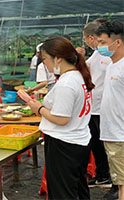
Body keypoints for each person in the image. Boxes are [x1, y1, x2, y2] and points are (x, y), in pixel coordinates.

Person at [18, 36, 94, 199]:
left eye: (44, 59)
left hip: (64, 144)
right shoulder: (77, 76)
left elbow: (61, 119)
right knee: (78, 187)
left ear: (58, 59)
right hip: (78, 140)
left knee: (62, 192)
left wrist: (38, 108)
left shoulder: (66, 83)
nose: (44, 63)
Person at [77, 19, 114, 189]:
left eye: (102, 41)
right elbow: (87, 70)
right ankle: (102, 176)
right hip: (94, 107)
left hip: (105, 108)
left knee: (109, 146)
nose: (99, 44)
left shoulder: (109, 55)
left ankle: (114, 181)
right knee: (97, 145)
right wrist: (80, 58)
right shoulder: (98, 54)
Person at [95, 20, 124, 200]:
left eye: (103, 42)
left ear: (118, 42)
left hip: (121, 134)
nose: (99, 47)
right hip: (112, 133)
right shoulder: (112, 64)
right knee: (120, 182)